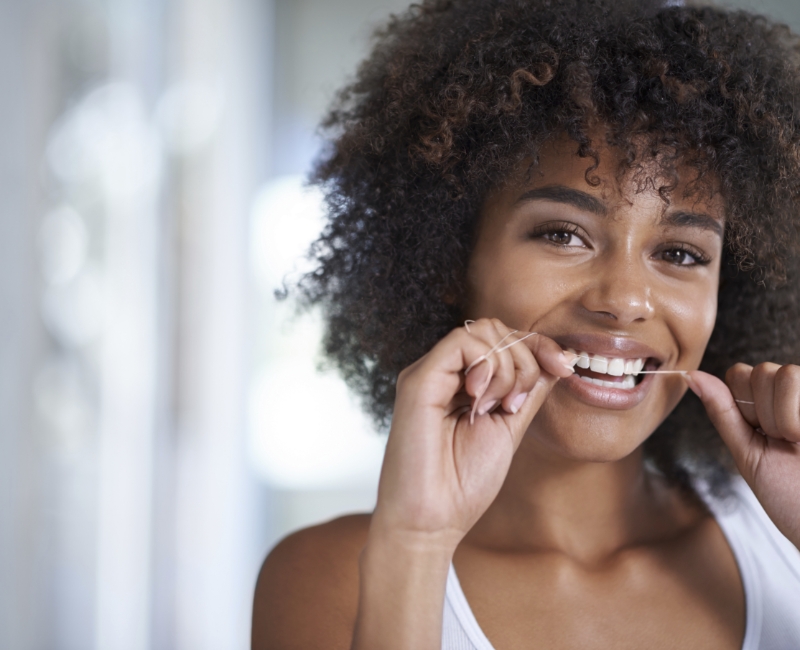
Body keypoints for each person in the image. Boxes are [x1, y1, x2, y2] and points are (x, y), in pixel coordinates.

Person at [252, 0, 800, 647]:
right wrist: (416, 544)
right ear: (449, 260)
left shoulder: (783, 542)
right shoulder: (332, 576)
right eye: (563, 234)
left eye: (680, 253)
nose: (625, 300)